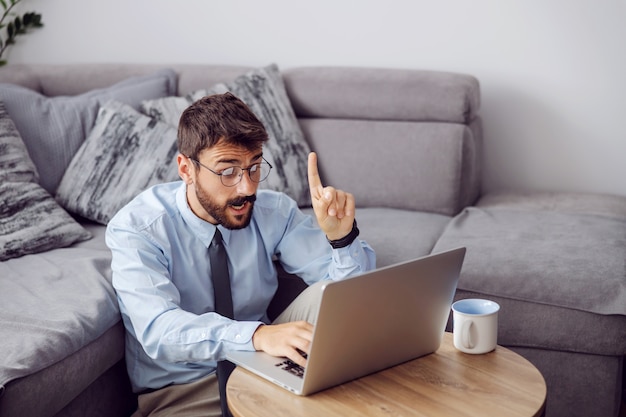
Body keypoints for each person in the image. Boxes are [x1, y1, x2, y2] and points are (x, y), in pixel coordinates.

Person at [106, 92, 376, 417]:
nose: (247, 188)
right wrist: (257, 335)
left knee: (334, 298)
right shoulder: (138, 228)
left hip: (265, 366)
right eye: (228, 171)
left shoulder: (274, 211)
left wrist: (342, 239)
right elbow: (159, 330)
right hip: (184, 391)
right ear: (186, 169)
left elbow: (353, 300)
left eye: (254, 167)